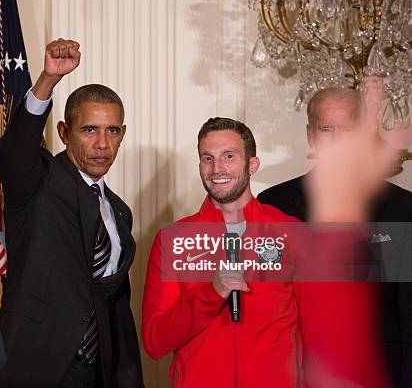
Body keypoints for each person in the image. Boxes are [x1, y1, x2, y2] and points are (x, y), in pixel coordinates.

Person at [0, 39, 144, 388]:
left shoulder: (119, 212)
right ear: (64, 133)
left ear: (123, 135)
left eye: (112, 131)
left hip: (99, 370)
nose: (102, 144)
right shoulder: (38, 182)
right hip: (36, 367)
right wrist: (47, 80)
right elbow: (14, 151)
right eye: (90, 130)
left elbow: (115, 305)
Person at [258, 87, 412, 387]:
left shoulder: (403, 209)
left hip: (380, 373)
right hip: (296, 373)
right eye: (326, 129)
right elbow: (266, 304)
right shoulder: (274, 204)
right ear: (310, 135)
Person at [141, 117, 304, 387]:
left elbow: (317, 333)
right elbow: (154, 341)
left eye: (228, 156)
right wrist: (212, 294)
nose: (217, 168)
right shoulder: (172, 241)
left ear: (252, 164)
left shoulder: (291, 232)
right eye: (207, 158)